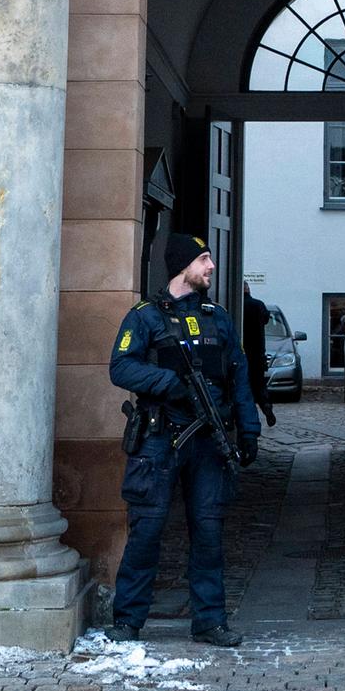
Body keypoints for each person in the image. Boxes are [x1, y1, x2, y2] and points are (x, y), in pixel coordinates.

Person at [106, 233, 260, 647]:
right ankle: (127, 621)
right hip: (159, 439)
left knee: (208, 533)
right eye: (205, 259)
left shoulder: (218, 317)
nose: (211, 267)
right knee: (147, 531)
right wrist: (168, 383)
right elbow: (120, 368)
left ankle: (210, 621)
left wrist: (248, 431)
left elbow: (239, 378)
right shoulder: (145, 317)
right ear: (183, 266)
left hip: (208, 441)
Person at [240, 289, 279, 428]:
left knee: (243, 384)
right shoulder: (258, 305)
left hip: (242, 351)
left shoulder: (238, 304)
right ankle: (266, 405)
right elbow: (266, 319)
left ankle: (248, 416)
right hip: (258, 352)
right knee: (259, 383)